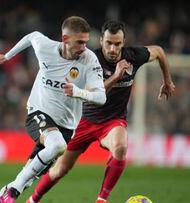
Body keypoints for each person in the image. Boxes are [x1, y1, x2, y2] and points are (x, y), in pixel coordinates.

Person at [26, 20, 176, 203]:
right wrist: (116, 76)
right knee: (59, 169)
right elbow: (91, 93)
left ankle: (101, 200)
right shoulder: (89, 59)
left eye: (118, 44)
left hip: (112, 122)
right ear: (101, 42)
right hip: (84, 121)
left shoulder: (133, 56)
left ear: (124, 42)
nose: (113, 49)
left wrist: (167, 81)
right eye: (109, 43)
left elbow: (159, 51)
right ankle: (33, 200)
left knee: (120, 147)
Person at [0, 16, 106, 203]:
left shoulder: (89, 60)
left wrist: (79, 93)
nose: (84, 47)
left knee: (31, 172)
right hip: (38, 111)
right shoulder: (46, 48)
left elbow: (101, 97)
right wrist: (6, 56)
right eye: (79, 42)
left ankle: (0, 198)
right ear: (65, 39)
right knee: (57, 146)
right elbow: (32, 36)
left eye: (86, 42)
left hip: (67, 126)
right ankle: (15, 188)